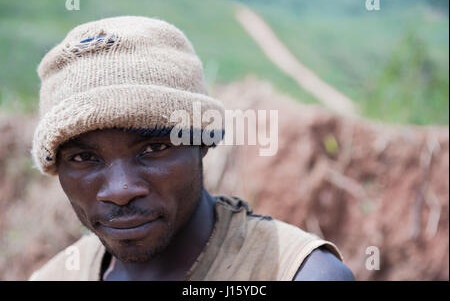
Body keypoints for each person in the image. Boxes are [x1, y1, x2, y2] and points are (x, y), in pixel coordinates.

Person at [29, 16, 354, 281]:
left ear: (203, 141)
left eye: (154, 147)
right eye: (84, 157)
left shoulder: (297, 274)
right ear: (56, 166)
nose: (120, 190)